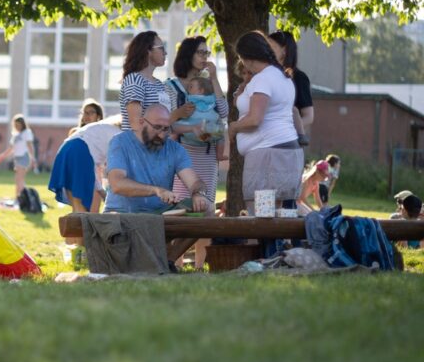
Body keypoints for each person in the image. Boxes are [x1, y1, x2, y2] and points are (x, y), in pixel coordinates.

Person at [166, 36, 230, 267]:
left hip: (207, 154)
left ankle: (201, 265)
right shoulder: (172, 86)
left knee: (208, 209)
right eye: (201, 53)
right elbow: (167, 124)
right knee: (181, 208)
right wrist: (186, 119)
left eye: (207, 53)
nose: (205, 57)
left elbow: (223, 111)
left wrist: (214, 78)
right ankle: (175, 261)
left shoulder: (207, 82)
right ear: (188, 55)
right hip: (183, 153)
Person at [227, 30, 303, 214]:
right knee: (277, 218)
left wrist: (234, 127)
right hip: (286, 153)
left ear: (248, 57)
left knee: (260, 218)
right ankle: (278, 244)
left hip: (269, 157)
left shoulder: (263, 78)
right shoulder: (282, 77)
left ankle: (265, 244)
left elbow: (255, 119)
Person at [104, 103, 212, 215]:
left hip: (161, 213)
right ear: (141, 122)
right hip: (122, 212)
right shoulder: (120, 142)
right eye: (157, 127)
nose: (161, 135)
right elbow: (117, 184)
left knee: (208, 206)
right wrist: (157, 191)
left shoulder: (175, 149)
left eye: (166, 129)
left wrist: (199, 194)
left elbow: (194, 182)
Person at [119, 31, 194, 133]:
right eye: (161, 48)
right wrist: (177, 114)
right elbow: (136, 124)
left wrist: (195, 128)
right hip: (138, 147)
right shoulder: (135, 80)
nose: (165, 53)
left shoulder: (159, 84)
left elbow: (165, 127)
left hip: (156, 146)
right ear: (148, 51)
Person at [48, 116, 121, 213]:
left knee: (76, 206)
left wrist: (102, 192)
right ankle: (82, 227)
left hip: (65, 150)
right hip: (80, 152)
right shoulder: (120, 135)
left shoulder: (102, 128)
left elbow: (93, 168)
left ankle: (76, 227)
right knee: (81, 208)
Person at [268, 30, 314, 145]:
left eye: (271, 46)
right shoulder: (265, 75)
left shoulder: (299, 78)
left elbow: (309, 116)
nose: (266, 50)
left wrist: (285, 130)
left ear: (284, 50)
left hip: (288, 143)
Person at [0, 114, 36, 198]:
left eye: (19, 125)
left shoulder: (27, 132)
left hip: (24, 157)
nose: (17, 127)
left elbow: (30, 146)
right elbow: (11, 149)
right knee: (19, 179)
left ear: (23, 124)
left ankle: (18, 198)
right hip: (17, 158)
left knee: (19, 179)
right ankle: (23, 197)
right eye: (15, 125)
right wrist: (1, 157)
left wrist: (33, 159)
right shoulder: (15, 135)